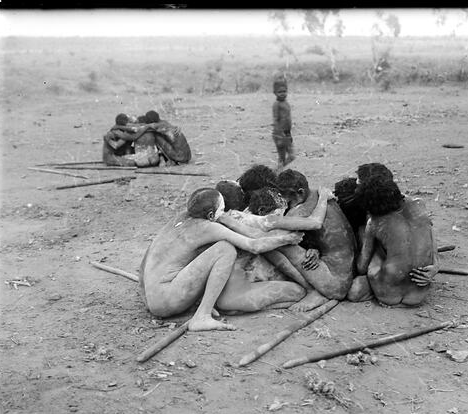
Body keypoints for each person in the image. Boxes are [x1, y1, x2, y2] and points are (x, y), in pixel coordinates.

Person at [138, 188, 306, 329]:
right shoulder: (207, 227)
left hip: (152, 298)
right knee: (225, 249)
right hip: (168, 300)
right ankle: (202, 316)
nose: (224, 213)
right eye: (222, 209)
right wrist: (286, 239)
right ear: (211, 215)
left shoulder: (178, 219)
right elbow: (253, 246)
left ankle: (200, 307)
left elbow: (148, 258)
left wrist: (149, 299)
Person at [261, 169, 356, 310]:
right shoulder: (318, 193)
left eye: (289, 201)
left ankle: (315, 291)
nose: (287, 205)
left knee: (276, 242)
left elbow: (273, 232)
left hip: (334, 284)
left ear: (300, 192)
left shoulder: (301, 210)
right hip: (348, 274)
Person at [355, 176, 440, 307]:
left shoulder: (374, 223)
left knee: (371, 240)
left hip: (387, 295)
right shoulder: (420, 206)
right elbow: (431, 235)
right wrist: (436, 265)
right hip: (418, 295)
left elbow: (362, 268)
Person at [272, 77, 295, 171]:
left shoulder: (286, 103)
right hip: (280, 134)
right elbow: (275, 119)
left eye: (284, 91)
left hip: (287, 133)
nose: (282, 94)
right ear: (275, 93)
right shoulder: (277, 104)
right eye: (280, 92)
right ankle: (277, 173)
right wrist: (279, 134)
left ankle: (277, 171)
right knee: (282, 157)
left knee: (291, 156)